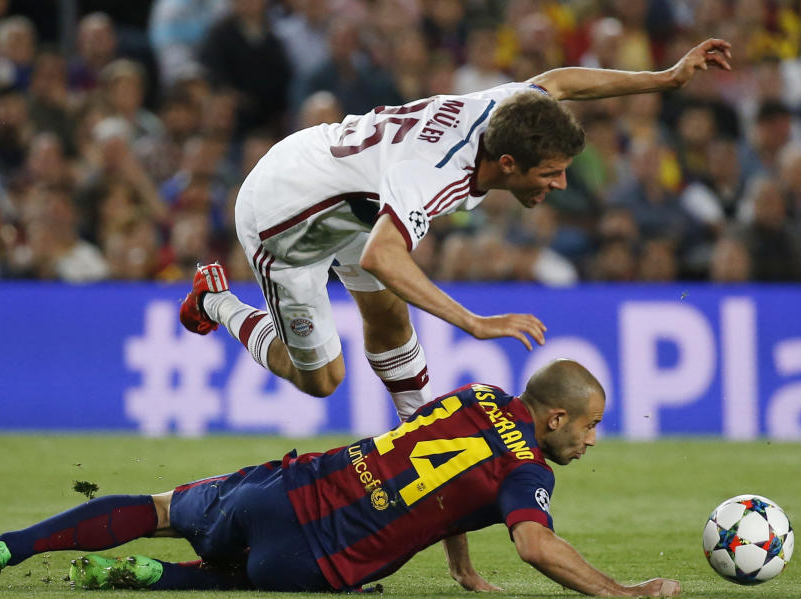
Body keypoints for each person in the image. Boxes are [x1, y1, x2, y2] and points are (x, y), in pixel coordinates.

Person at [179, 37, 733, 416]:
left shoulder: (506, 113)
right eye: (551, 174)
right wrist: (473, 322)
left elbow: (558, 82)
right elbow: (382, 258)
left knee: (390, 321)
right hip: (284, 216)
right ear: (508, 165)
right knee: (323, 380)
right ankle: (216, 303)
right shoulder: (436, 174)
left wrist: (664, 78)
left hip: (348, 187)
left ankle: (421, 454)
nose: (561, 186)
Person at [0, 359, 681, 598]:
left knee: (157, 505)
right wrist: (624, 592)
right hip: (311, 553)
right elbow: (534, 546)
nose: (591, 441)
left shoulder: (475, 396)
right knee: (246, 576)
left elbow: (449, 484)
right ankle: (161, 579)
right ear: (553, 419)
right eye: (588, 427)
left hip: (285, 485)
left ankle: (3, 548)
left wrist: (462, 568)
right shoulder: (525, 468)